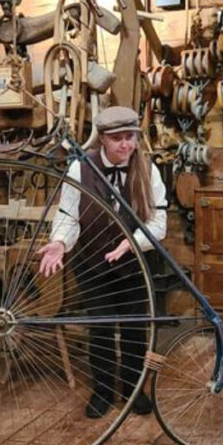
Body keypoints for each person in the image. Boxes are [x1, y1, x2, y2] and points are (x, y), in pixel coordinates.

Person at [37, 106, 168, 419]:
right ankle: (103, 390)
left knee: (135, 330)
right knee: (101, 329)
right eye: (117, 138)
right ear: (102, 140)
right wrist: (60, 242)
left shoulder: (147, 169)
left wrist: (132, 242)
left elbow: (158, 221)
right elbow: (69, 215)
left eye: (130, 137)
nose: (125, 145)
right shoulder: (80, 169)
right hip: (93, 265)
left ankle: (133, 389)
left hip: (134, 266)